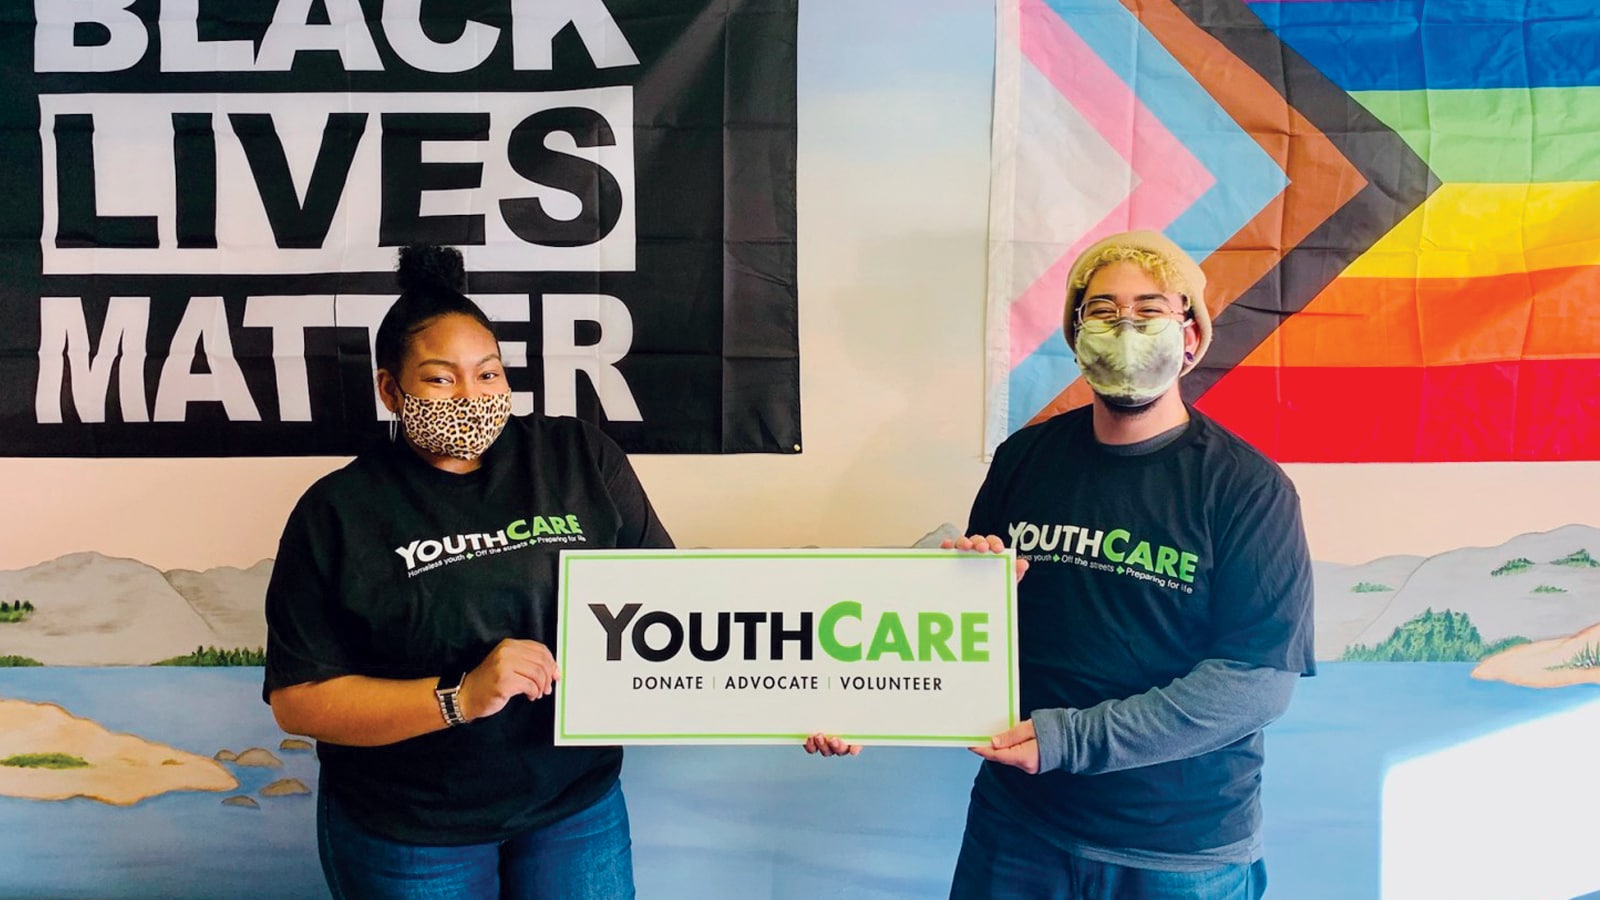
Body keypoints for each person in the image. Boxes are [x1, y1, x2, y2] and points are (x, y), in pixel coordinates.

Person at [263, 244, 672, 899]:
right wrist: (460, 697)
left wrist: (812, 698)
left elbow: (677, 614)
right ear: (390, 388)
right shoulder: (338, 511)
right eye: (439, 377)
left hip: (574, 808)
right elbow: (300, 700)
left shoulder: (579, 459)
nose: (471, 394)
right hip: (413, 829)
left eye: (487, 374)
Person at [945, 230, 1316, 898]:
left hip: (1178, 851)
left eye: (1149, 311)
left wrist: (1071, 739)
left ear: (1191, 336)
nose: (1125, 329)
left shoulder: (1248, 490)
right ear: (1076, 335)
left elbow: (1256, 683)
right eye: (1103, 311)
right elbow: (972, 638)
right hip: (1018, 828)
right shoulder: (1024, 462)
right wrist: (964, 590)